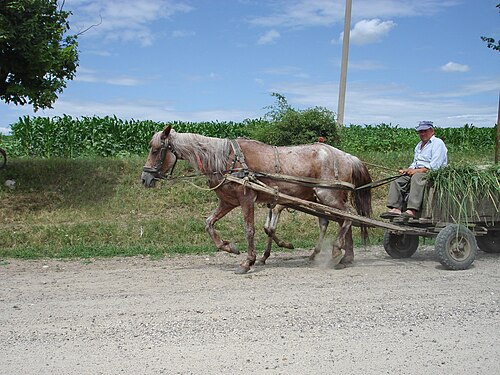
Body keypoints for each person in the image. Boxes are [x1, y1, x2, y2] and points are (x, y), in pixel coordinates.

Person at [381, 121, 448, 219]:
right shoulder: (419, 145)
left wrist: (416, 171)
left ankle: (412, 210)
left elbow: (435, 166)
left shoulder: (438, 143)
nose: (422, 134)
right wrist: (407, 170)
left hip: (433, 174)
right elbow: (415, 163)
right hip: (419, 171)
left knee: (417, 177)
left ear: (432, 131)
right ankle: (396, 208)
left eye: (425, 131)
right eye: (420, 132)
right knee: (397, 179)